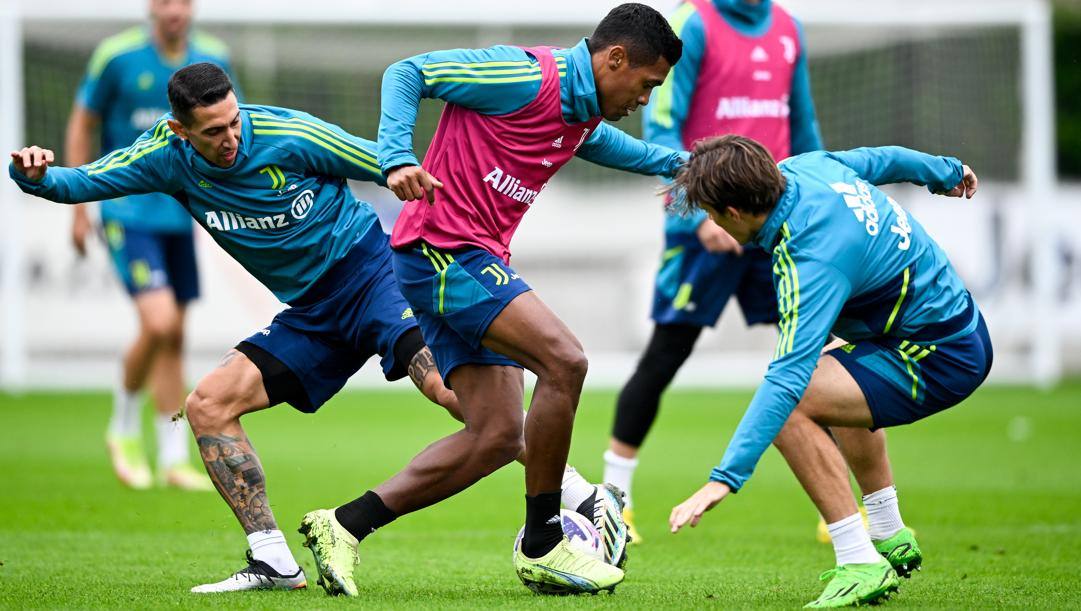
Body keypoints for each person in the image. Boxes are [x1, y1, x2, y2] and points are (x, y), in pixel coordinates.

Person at [10, 63, 613, 597]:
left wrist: (439, 194)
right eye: (213, 131)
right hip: (311, 314)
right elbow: (83, 181)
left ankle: (574, 491)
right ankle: (273, 560)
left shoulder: (287, 134)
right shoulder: (161, 156)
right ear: (179, 130)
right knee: (208, 406)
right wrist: (36, 176)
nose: (230, 139)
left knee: (450, 392)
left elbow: (383, 159)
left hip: (375, 275)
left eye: (233, 122)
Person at [332, 2, 684, 596]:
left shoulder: (577, 112)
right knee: (564, 360)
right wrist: (395, 155)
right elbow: (406, 72)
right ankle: (546, 541)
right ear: (615, 58)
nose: (645, 100)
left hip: (469, 259)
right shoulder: (524, 75)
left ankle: (344, 525)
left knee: (496, 434)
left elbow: (607, 147)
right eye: (646, 85)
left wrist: (684, 163)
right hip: (440, 250)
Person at [666, 135, 990, 607]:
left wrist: (724, 478)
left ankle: (859, 560)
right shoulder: (807, 167)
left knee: (795, 402)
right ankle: (889, 531)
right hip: (941, 324)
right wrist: (945, 171)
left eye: (713, 213)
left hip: (939, 354)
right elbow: (888, 159)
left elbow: (786, 378)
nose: (713, 224)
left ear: (734, 213)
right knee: (831, 367)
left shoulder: (811, 258)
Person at [603, 0, 822, 544]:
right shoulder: (691, 21)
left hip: (779, 220)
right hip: (705, 226)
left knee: (820, 353)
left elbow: (804, 125)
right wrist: (703, 209)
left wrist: (818, 206)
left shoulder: (789, 27)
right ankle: (615, 502)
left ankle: (843, 509)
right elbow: (661, 120)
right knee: (665, 355)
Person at [66, 0, 236, 490]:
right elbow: (83, 122)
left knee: (175, 334)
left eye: (182, 1)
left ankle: (172, 455)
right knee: (158, 322)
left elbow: (231, 133)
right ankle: (122, 429)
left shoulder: (210, 61)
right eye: (164, 1)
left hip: (180, 216)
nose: (174, 10)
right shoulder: (117, 57)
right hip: (128, 211)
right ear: (150, 7)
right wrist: (78, 209)